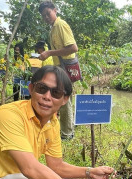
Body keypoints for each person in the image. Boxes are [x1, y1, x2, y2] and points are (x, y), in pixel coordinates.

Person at [39, 1, 78, 140]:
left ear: (55, 10)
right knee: (63, 98)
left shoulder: (60, 25)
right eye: (44, 16)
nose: (46, 17)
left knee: (64, 98)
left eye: (48, 13)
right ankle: (66, 129)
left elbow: (73, 48)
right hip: (60, 67)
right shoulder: (53, 28)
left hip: (65, 67)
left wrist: (49, 53)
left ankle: (67, 134)